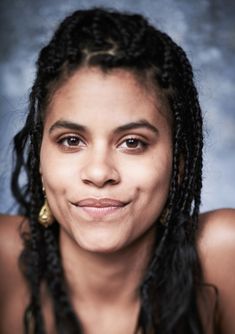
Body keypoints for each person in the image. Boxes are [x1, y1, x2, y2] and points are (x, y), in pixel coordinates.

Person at [0, 7, 234, 334]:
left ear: (178, 165)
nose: (98, 173)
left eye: (133, 143)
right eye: (71, 140)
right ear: (41, 160)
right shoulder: (3, 261)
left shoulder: (224, 256)